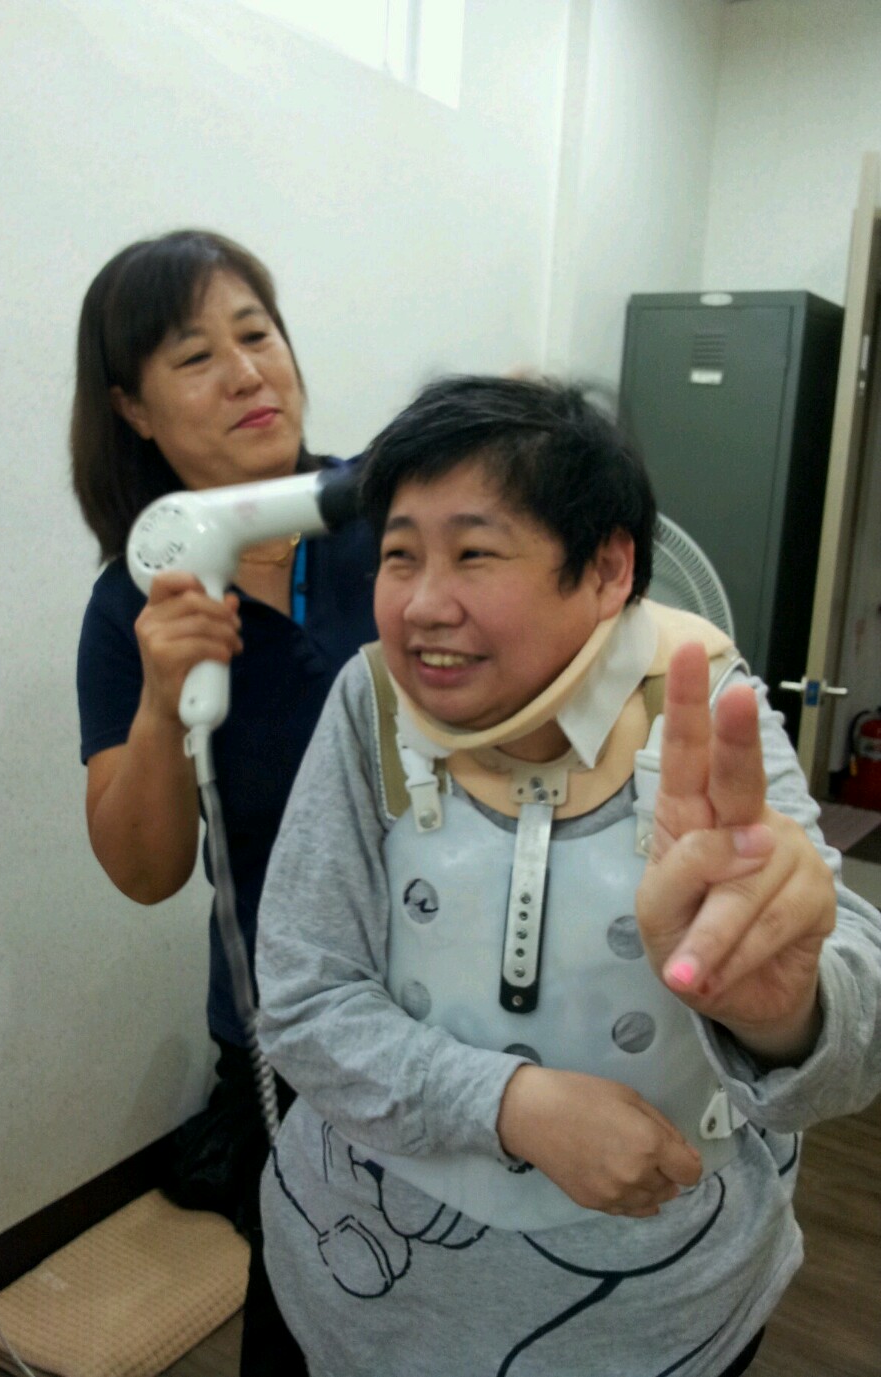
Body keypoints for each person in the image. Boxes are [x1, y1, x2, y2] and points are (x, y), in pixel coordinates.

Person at [255, 375, 881, 1377]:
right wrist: (513, 1106)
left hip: (654, 1314)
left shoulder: (704, 711)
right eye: (400, 554)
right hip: (362, 1287)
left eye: (474, 552)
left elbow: (859, 1030)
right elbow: (299, 998)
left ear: (608, 568)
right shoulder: (367, 703)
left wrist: (786, 1015)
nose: (422, 603)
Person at [71, 229, 376, 1376]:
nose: (248, 372)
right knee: (309, 1310)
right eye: (196, 356)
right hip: (287, 1033)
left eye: (258, 334)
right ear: (132, 409)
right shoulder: (132, 607)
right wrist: (162, 704)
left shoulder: (395, 528)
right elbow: (147, 871)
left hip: (454, 1012)